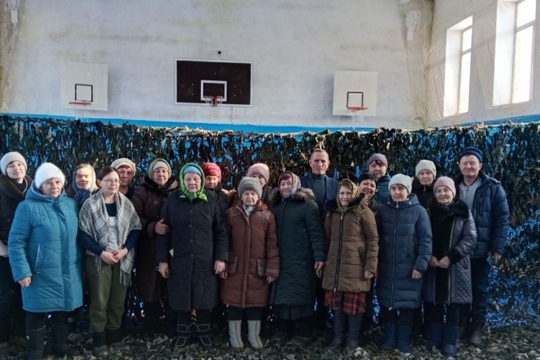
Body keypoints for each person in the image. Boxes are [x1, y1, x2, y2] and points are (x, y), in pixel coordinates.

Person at [9, 163, 82, 359]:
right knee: (36, 314)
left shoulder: (70, 204)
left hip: (67, 270)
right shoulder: (27, 207)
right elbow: (16, 242)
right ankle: (35, 351)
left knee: (62, 312)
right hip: (38, 272)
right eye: (49, 182)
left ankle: (59, 346)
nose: (55, 186)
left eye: (58, 181)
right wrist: (22, 271)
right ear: (40, 185)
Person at [156, 163, 228, 351]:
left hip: (206, 259)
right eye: (188, 179)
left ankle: (204, 333)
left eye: (196, 179)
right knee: (181, 296)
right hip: (178, 258)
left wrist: (221, 258)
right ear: (182, 180)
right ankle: (183, 333)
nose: (192, 182)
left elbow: (221, 231)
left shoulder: (211, 200)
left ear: (202, 181)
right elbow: (164, 231)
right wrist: (162, 260)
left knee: (204, 296)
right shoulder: (172, 200)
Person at [78, 166, 142, 357]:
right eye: (109, 180)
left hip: (122, 260)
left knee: (117, 300)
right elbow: (83, 234)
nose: (114, 183)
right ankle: (99, 340)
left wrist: (124, 250)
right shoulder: (89, 205)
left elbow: (136, 228)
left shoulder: (126, 204)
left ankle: (114, 337)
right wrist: (101, 252)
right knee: (99, 300)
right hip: (98, 259)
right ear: (99, 182)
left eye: (115, 180)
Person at [454, 146, 509, 348]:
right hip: (458, 250)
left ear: (480, 166)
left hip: (481, 250)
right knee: (460, 290)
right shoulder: (452, 186)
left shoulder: (493, 187)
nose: (469, 166)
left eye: (473, 163)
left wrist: (497, 249)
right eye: (465, 163)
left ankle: (476, 329)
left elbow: (502, 219)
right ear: (459, 166)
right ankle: (462, 325)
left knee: (479, 290)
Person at [220, 177, 279, 351]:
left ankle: (254, 336)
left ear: (258, 195)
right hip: (234, 267)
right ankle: (235, 337)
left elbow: (272, 244)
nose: (250, 197)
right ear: (241, 195)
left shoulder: (267, 216)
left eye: (253, 193)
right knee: (234, 304)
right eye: (246, 193)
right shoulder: (231, 214)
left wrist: (272, 268)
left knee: (256, 304)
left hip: (257, 269)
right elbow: (224, 240)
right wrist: (223, 261)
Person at [376, 174, 432, 356]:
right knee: (388, 303)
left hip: (409, 267)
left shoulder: (419, 211)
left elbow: (426, 240)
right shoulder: (384, 211)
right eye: (393, 188)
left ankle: (403, 341)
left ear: (408, 190)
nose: (397, 192)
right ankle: (388, 338)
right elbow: (375, 240)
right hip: (387, 266)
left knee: (407, 306)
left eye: (401, 188)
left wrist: (420, 265)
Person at [270, 171, 326, 345]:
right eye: (282, 184)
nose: (286, 187)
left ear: (296, 185)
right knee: (283, 297)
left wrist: (319, 256)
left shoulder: (308, 205)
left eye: (289, 184)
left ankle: (304, 332)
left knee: (303, 297)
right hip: (282, 259)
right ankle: (284, 331)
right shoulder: (276, 206)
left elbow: (316, 233)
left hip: (302, 259)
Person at [423, 177, 477, 356]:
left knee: (454, 305)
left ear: (453, 192)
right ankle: (434, 339)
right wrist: (428, 255)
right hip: (433, 265)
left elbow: (470, 238)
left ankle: (450, 342)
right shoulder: (428, 212)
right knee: (433, 303)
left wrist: (451, 256)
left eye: (446, 190)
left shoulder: (463, 212)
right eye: (438, 191)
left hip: (455, 266)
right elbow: (420, 236)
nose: (442, 194)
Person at [323, 179, 378, 351]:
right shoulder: (332, 213)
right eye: (342, 193)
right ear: (337, 194)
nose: (345, 196)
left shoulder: (363, 211)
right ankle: (338, 337)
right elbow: (327, 238)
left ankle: (352, 339)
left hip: (356, 266)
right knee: (337, 304)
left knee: (354, 305)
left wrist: (370, 265)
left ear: (354, 193)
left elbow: (373, 239)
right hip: (335, 266)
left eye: (348, 193)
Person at [131, 159, 178, 337]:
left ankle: (171, 325)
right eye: (157, 172)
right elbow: (134, 217)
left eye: (164, 172)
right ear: (151, 174)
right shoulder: (141, 191)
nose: (161, 175)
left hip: (171, 247)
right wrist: (152, 227)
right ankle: (150, 325)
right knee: (149, 287)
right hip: (148, 247)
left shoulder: (177, 191)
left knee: (169, 285)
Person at [299, 149, 338, 330]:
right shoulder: (301, 183)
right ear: (310, 163)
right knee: (309, 282)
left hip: (330, 241)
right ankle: (306, 323)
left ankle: (322, 319)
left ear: (328, 164)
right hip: (306, 241)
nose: (319, 164)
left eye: (323, 161)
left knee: (325, 283)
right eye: (316, 161)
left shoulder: (336, 185)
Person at [0, 152, 31, 356]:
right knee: (6, 296)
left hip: (27, 250)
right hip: (4, 250)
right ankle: (3, 336)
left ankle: (20, 335)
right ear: (5, 169)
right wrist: (1, 247)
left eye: (19, 164)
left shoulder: (34, 188)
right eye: (11, 165)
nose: (16, 168)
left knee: (23, 294)